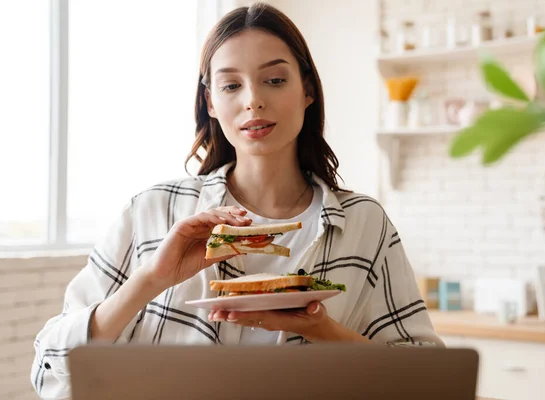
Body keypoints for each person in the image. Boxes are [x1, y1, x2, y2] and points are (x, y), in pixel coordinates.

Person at [31, 3, 442, 398]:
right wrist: (151, 279)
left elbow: (429, 381)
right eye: (231, 85)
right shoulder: (153, 210)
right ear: (211, 102)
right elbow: (49, 370)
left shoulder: (364, 223)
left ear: (308, 90)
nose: (253, 100)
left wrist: (322, 330)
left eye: (275, 80)